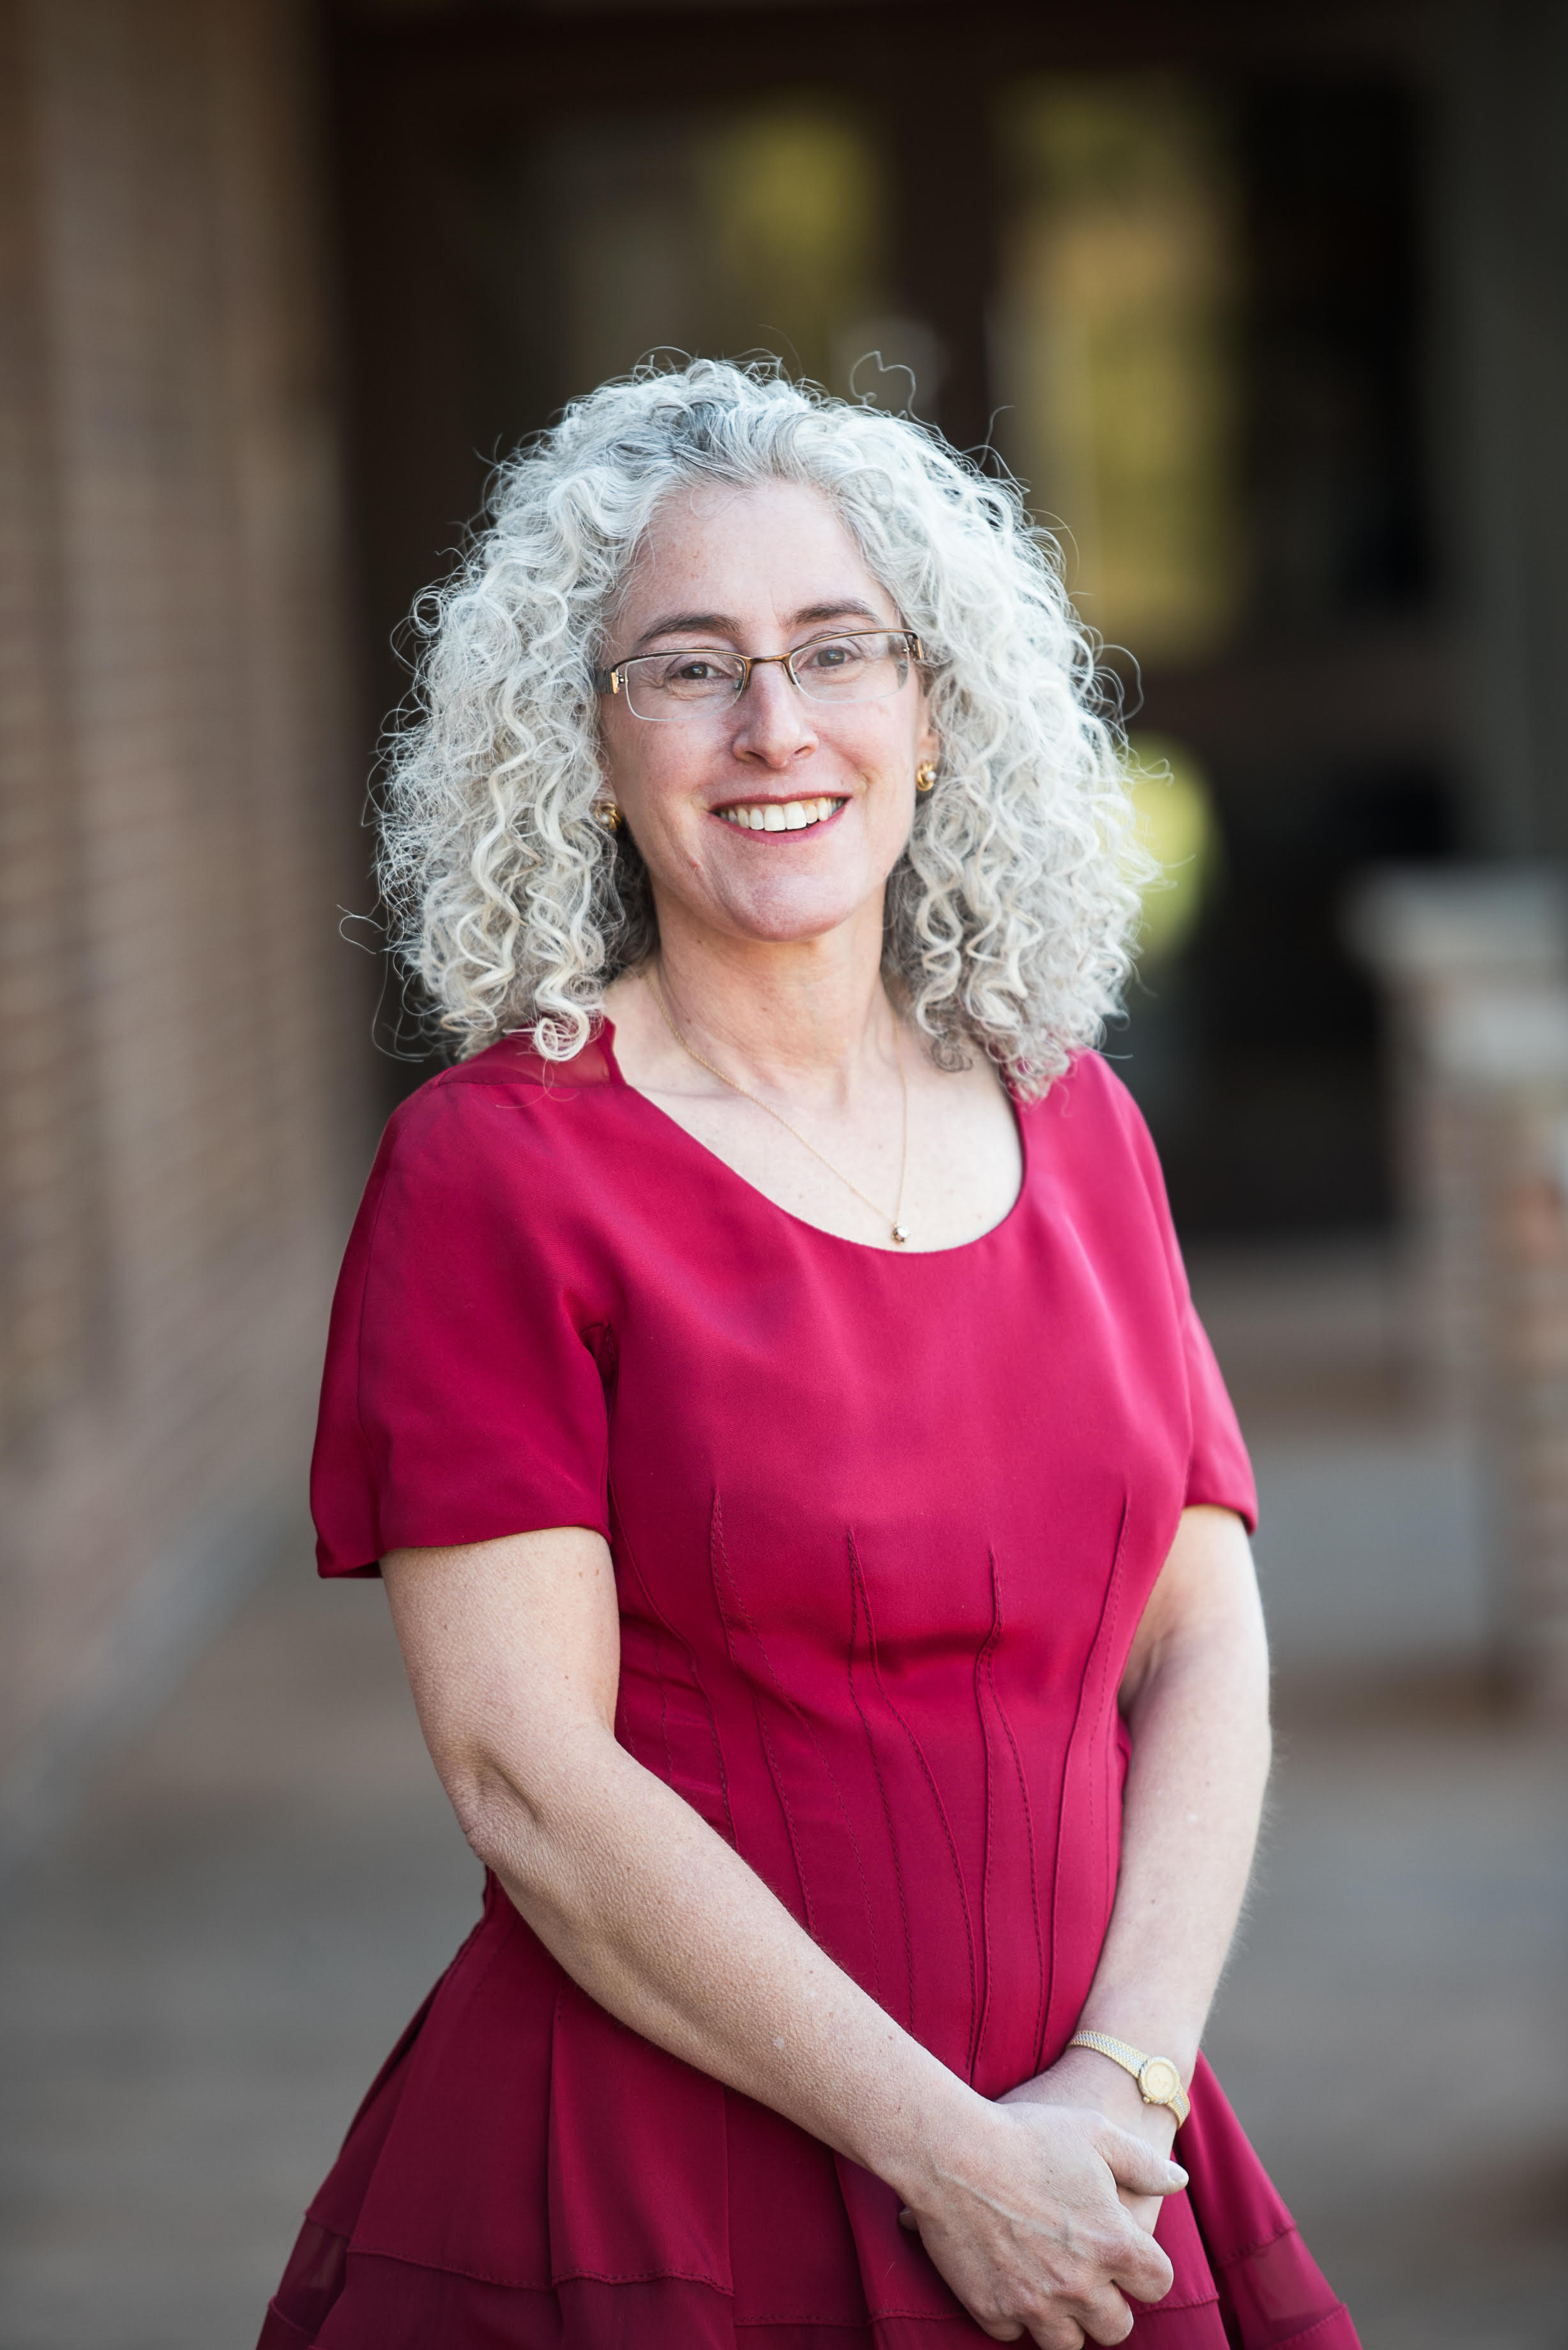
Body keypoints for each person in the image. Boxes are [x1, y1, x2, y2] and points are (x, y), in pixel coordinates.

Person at [259, 360, 1359, 2350]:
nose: (775, 727)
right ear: (583, 746)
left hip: (1084, 2156)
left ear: (932, 714)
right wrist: (951, 2158)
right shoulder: (497, 1178)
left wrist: (1113, 2099)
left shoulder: (1078, 1126)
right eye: (687, 668)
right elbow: (526, 1776)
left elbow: (1207, 1645)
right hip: (663, 2189)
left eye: (836, 650)